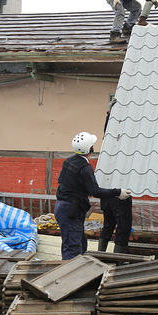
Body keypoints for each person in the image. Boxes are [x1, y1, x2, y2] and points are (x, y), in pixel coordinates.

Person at [55, 131, 131, 260]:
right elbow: (95, 191)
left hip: (63, 206)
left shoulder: (69, 161)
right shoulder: (85, 168)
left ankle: (78, 270)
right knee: (73, 248)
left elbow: (62, 182)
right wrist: (117, 192)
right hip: (70, 209)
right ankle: (70, 277)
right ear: (90, 148)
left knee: (79, 243)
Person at [99, 98, 133, 254]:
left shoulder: (110, 142)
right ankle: (117, 262)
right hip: (120, 192)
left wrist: (110, 114)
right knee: (123, 227)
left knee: (108, 225)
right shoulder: (130, 143)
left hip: (106, 191)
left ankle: (101, 257)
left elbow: (108, 132)